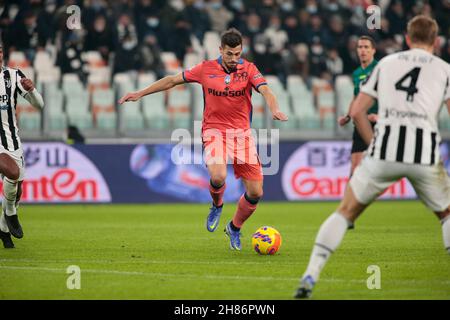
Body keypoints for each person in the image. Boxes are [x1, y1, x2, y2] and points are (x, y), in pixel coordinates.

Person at [295, 15, 450, 299]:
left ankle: (310, 275)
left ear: (406, 39)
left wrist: (375, 141)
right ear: (436, 41)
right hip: (424, 152)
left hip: (385, 149)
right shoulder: (444, 69)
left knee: (344, 211)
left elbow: (356, 112)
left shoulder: (388, 64)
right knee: (447, 215)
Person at [119, 28, 288, 250]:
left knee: (256, 192)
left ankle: (234, 228)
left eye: (237, 54)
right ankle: (217, 205)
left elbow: (266, 91)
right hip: (214, 131)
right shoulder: (205, 69)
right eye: (229, 54)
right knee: (218, 176)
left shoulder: (248, 69)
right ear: (220, 50)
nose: (234, 59)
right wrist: (140, 93)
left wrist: (274, 109)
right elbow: (171, 81)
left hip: (241, 135)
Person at [0, 44, 44, 249]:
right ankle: (10, 212)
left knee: (17, 188)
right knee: (12, 172)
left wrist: (32, 90)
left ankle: (3, 228)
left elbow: (39, 105)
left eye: (0, 50)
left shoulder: (13, 75)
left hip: (11, 140)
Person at [338, 35, 378, 175]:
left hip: (378, 123)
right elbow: (356, 97)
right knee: (355, 166)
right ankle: (353, 197)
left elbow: (388, 93)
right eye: (360, 47)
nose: (362, 50)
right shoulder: (357, 73)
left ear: (373, 50)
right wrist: (348, 116)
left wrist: (380, 115)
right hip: (361, 123)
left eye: (366, 47)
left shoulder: (379, 68)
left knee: (381, 167)